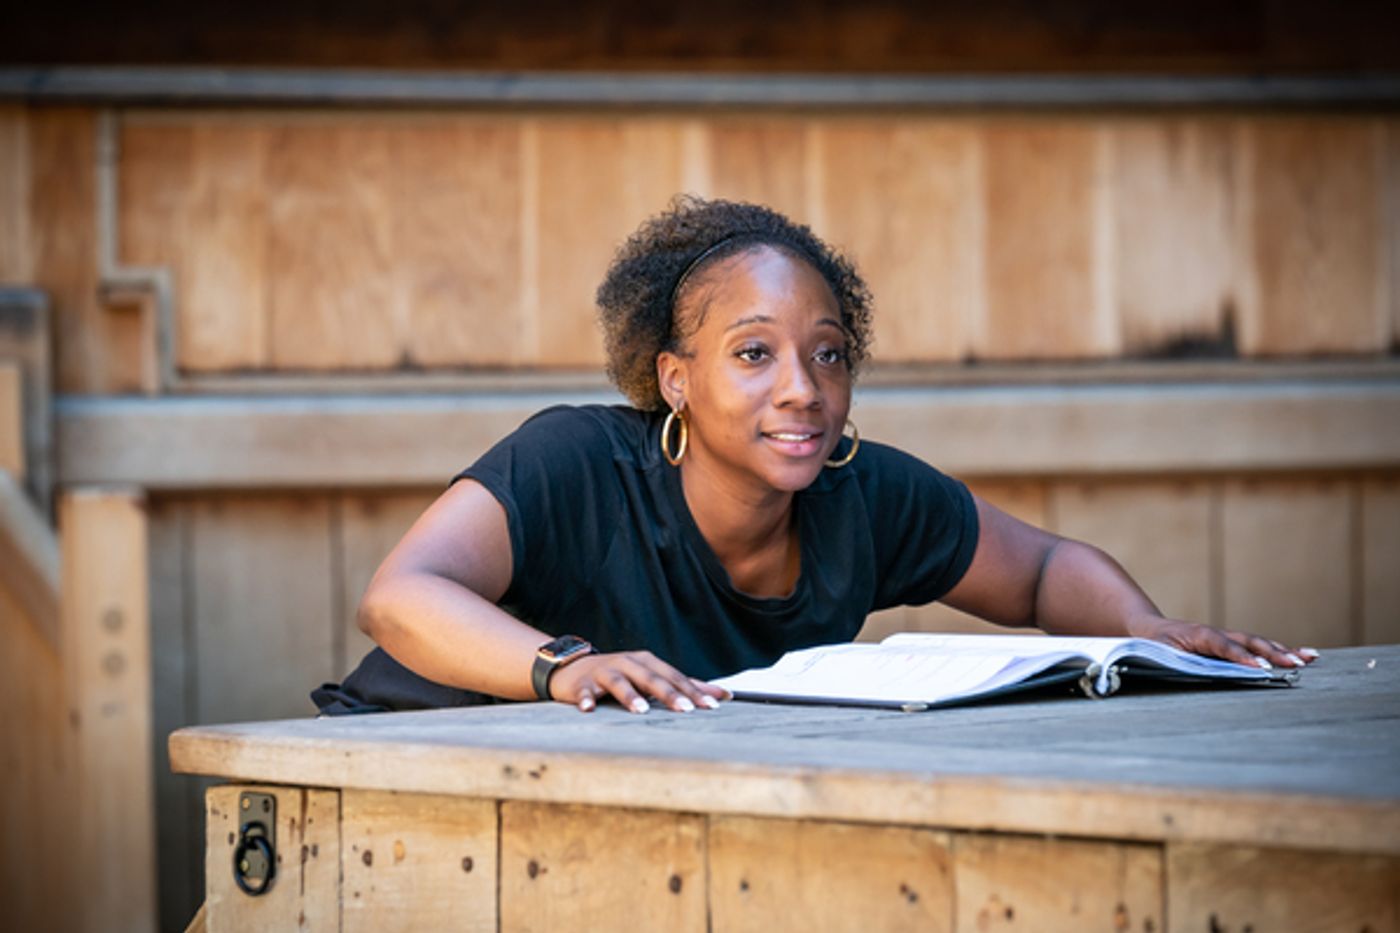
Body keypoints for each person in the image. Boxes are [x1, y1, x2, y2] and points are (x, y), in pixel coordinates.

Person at [312, 196, 1316, 716]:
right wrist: (561, 670)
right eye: (752, 354)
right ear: (672, 378)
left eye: (826, 354)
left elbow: (1044, 570)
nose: (801, 386)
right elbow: (400, 597)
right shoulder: (573, 460)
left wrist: (1143, 629)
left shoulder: (859, 490)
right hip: (393, 772)